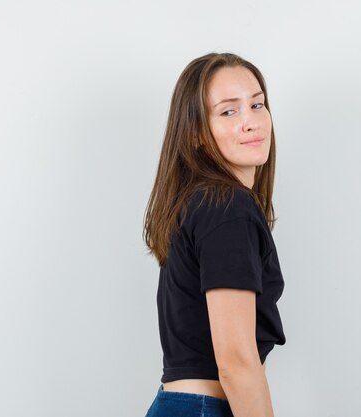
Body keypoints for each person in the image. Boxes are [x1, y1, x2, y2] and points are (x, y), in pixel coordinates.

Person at [142, 52, 287, 417]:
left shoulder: (202, 203)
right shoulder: (227, 208)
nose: (251, 122)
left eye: (257, 104)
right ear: (195, 134)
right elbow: (236, 362)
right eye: (228, 111)